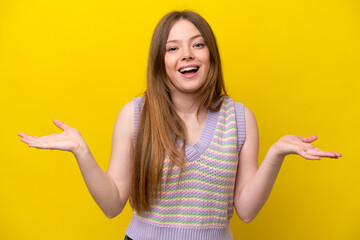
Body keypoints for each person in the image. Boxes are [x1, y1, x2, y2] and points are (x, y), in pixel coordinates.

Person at [18, 10, 341, 240]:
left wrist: (275, 156)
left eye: (197, 45)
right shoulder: (135, 115)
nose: (186, 54)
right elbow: (113, 204)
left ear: (211, 56)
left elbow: (246, 211)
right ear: (161, 63)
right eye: (173, 48)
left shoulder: (240, 118)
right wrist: (81, 152)